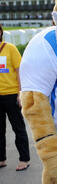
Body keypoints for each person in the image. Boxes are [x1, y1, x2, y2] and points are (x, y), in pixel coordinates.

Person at [0, 24, 30, 170]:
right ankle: (1, 159)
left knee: (18, 128)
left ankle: (24, 159)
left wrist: (20, 93)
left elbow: (19, 71)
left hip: (11, 95)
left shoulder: (10, 48)